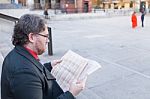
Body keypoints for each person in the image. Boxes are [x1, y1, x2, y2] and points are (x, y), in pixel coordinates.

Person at [1, 14, 86, 99]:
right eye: (45, 36)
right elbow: (30, 74)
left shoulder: (19, 53)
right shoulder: (24, 72)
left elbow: (33, 71)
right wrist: (70, 94)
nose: (48, 40)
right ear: (31, 37)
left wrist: (49, 66)